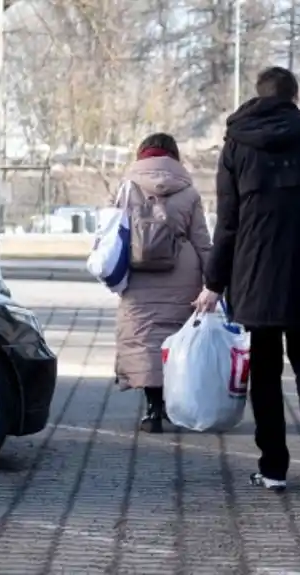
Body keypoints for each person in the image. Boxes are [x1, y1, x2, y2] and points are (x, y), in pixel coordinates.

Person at [193, 67, 300, 491]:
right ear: (296, 95)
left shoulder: (237, 143)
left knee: (266, 372)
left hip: (255, 275)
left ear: (259, 94)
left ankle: (273, 467)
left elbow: (228, 222)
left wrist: (213, 284)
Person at [114, 133, 212, 433]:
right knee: (176, 341)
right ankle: (173, 405)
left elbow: (111, 232)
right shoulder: (189, 192)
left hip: (138, 273)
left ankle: (153, 410)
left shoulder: (127, 187)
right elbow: (202, 240)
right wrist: (213, 281)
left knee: (145, 341)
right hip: (183, 273)